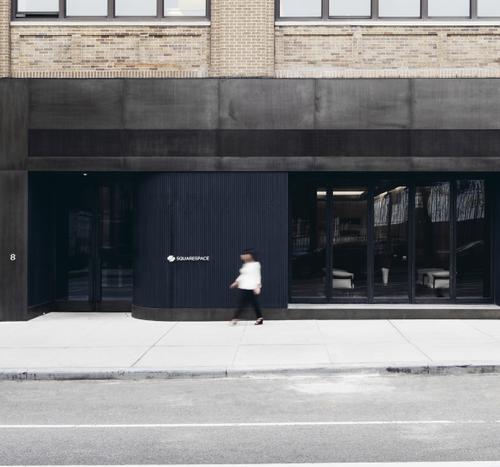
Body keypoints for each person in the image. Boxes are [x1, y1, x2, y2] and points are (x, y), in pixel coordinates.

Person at [230, 249, 263, 325]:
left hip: (251, 287)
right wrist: (236, 282)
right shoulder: (245, 265)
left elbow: (257, 275)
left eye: (245, 255)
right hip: (244, 286)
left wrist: (258, 286)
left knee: (242, 303)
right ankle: (260, 318)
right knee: (254, 303)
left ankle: (235, 318)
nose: (243, 256)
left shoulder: (256, 264)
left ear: (250, 256)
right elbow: (243, 275)